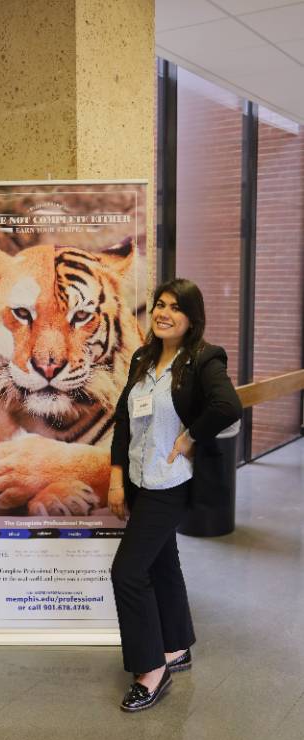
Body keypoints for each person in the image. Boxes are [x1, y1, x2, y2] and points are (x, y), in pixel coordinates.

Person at [109, 278, 242, 712]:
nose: (163, 313)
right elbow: (124, 419)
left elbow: (227, 406)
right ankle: (177, 645)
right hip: (138, 478)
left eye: (175, 307)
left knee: (127, 572)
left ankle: (151, 669)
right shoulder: (143, 358)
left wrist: (189, 438)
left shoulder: (203, 358)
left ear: (191, 317)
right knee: (162, 561)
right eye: (159, 305)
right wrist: (116, 477)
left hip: (170, 483)